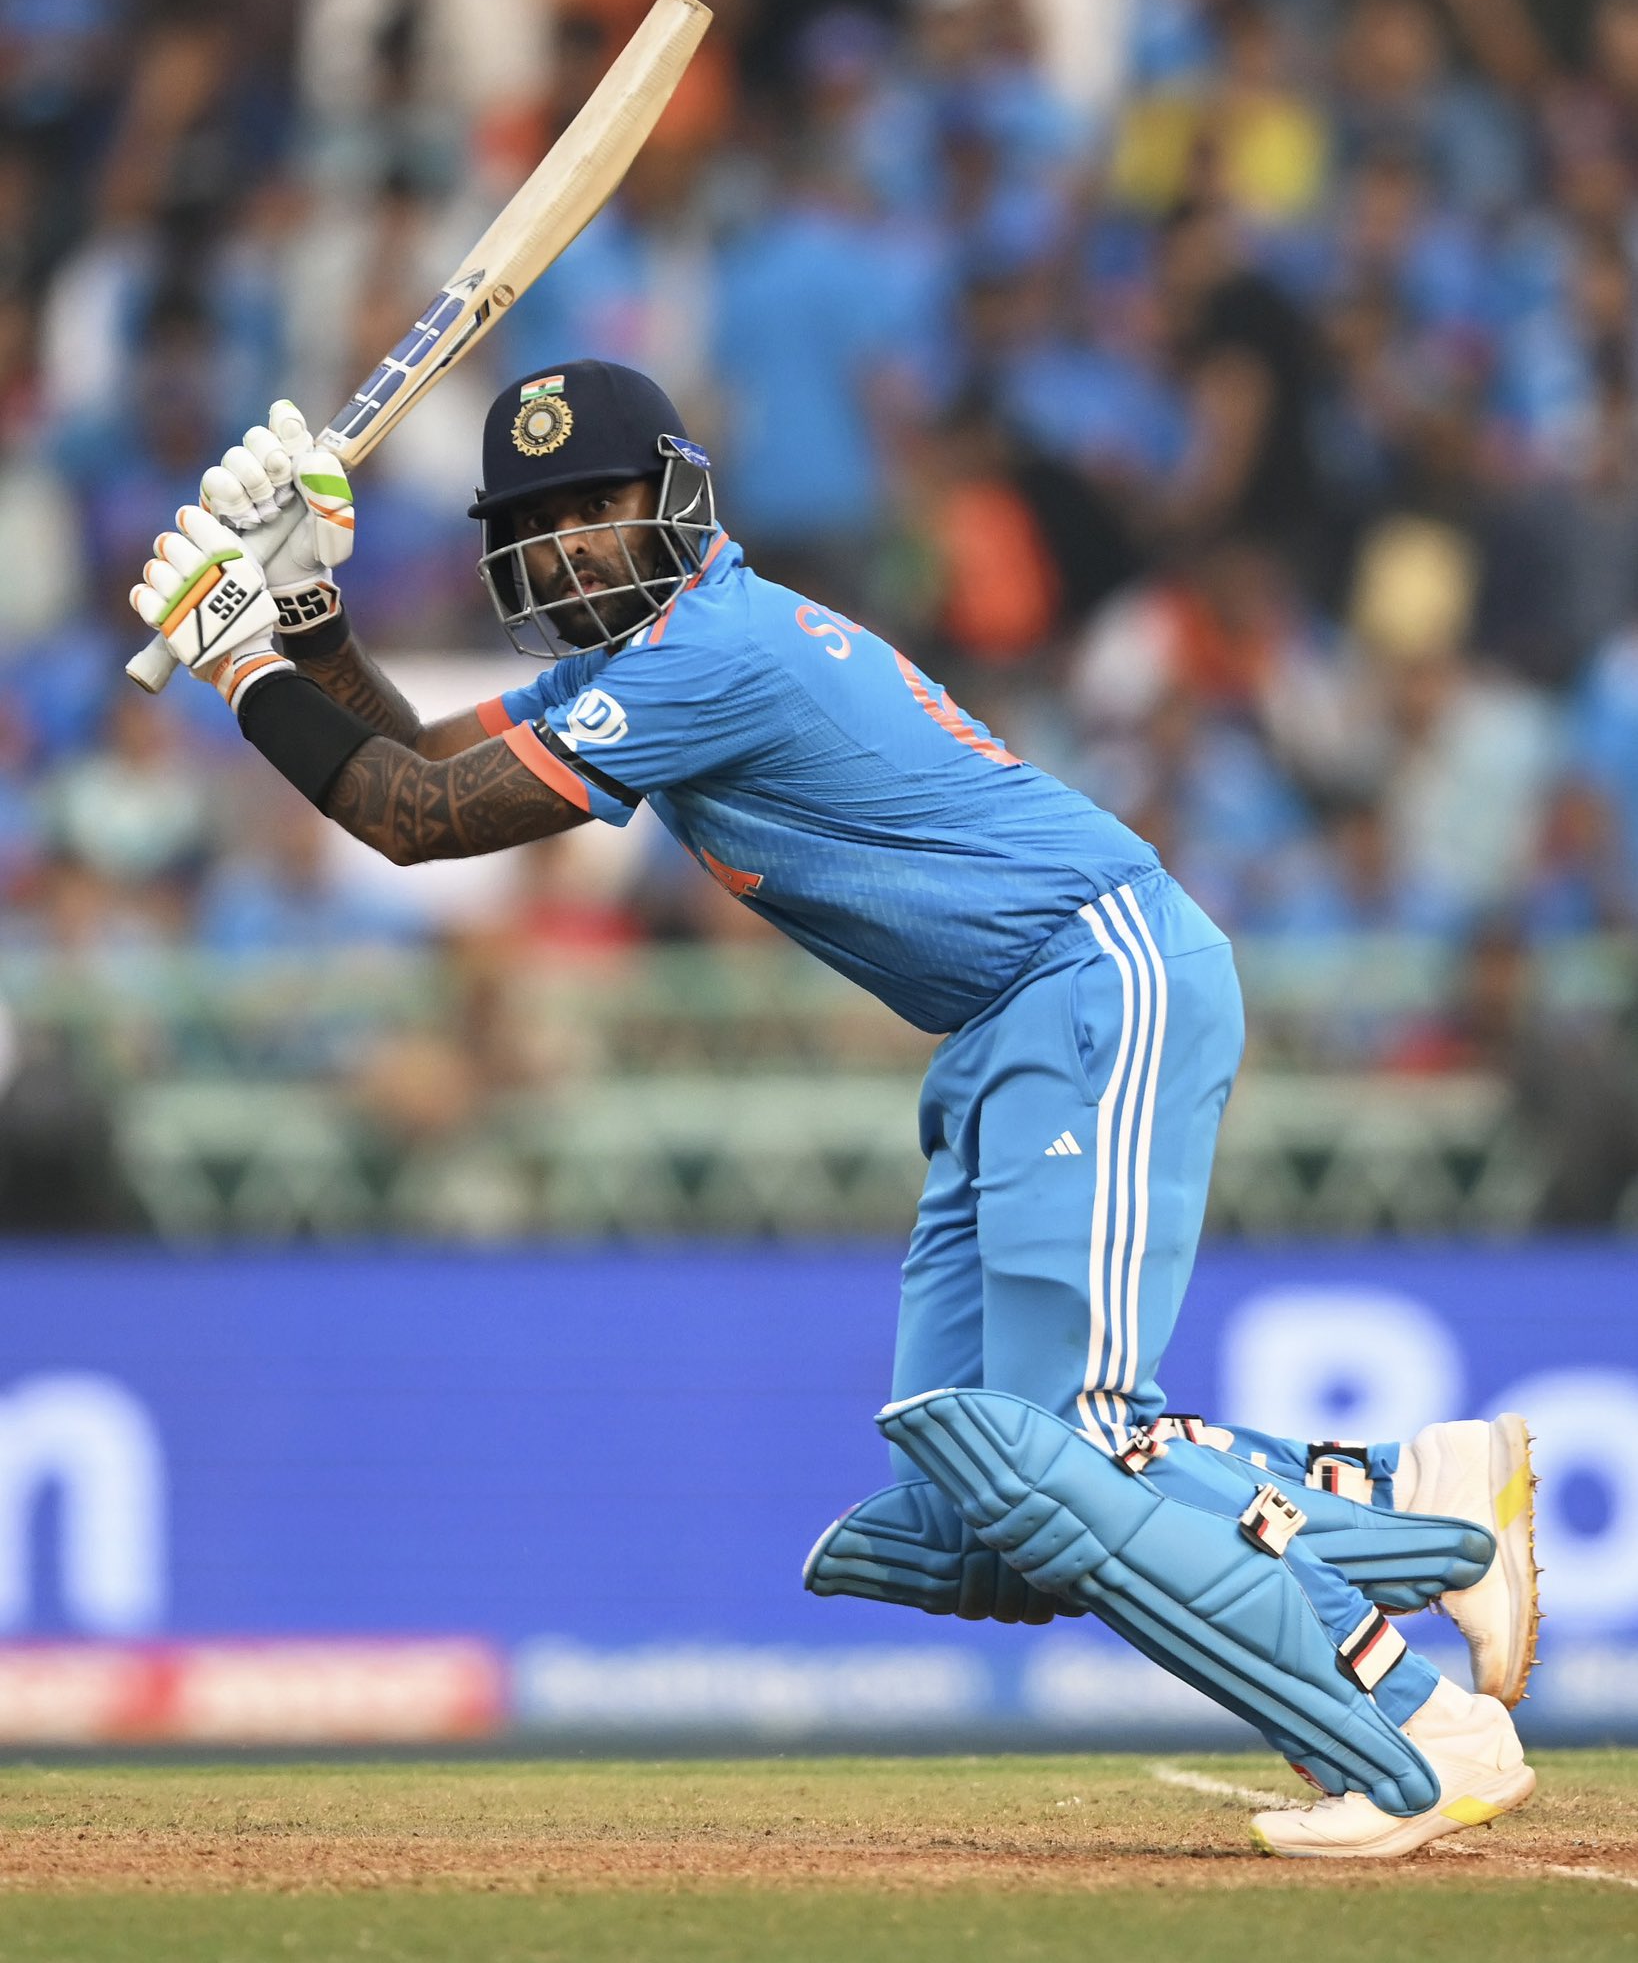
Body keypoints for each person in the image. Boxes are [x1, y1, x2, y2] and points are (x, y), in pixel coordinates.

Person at [130, 358, 1538, 1858]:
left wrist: (243, 667)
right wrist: (305, 614)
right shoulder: (653, 660)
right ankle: (1425, 1508)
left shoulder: (707, 655)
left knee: (1059, 1450)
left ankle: (1417, 1729)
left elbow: (413, 823)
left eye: (597, 507)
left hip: (1094, 976)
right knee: (978, 1500)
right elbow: (414, 761)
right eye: (538, 524)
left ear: (675, 497)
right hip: (1006, 1020)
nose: (570, 547)